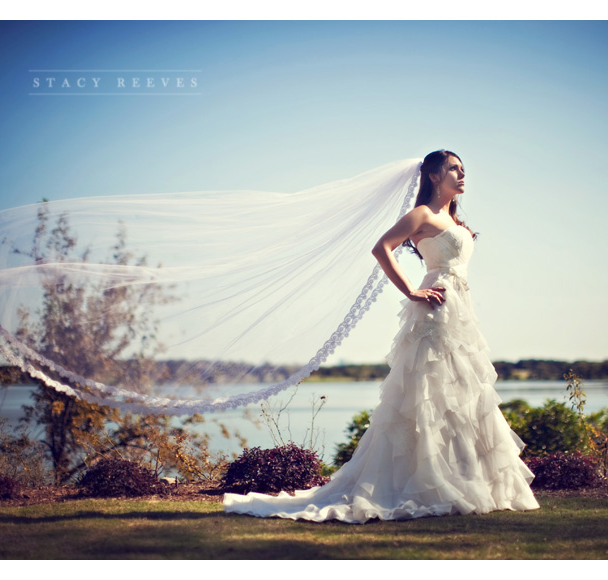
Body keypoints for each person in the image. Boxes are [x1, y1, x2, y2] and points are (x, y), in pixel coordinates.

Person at [222, 150, 540, 523]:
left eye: (463, 168)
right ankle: (420, 481)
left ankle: (466, 479)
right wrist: (411, 291)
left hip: (460, 311)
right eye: (453, 168)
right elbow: (381, 248)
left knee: (463, 393)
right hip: (436, 308)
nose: (461, 173)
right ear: (434, 176)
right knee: (427, 391)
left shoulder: (453, 218)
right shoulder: (422, 215)